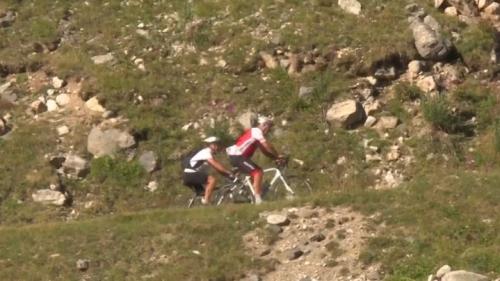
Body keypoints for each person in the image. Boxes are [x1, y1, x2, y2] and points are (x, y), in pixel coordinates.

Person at [226, 116, 284, 205]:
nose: (268, 130)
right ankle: (258, 200)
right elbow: (267, 146)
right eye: (268, 127)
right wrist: (277, 155)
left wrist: (275, 158)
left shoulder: (256, 135)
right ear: (264, 125)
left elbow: (265, 151)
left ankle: (251, 195)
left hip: (238, 156)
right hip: (237, 156)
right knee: (258, 172)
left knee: (256, 174)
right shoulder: (256, 131)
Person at [183, 136, 234, 205]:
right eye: (215, 145)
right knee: (212, 180)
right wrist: (228, 172)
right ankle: (206, 202)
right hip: (190, 174)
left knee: (205, 192)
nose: (217, 147)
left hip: (189, 175)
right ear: (209, 145)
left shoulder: (207, 154)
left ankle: (203, 205)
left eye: (217, 145)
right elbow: (216, 164)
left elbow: (217, 168)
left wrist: (228, 175)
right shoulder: (206, 152)